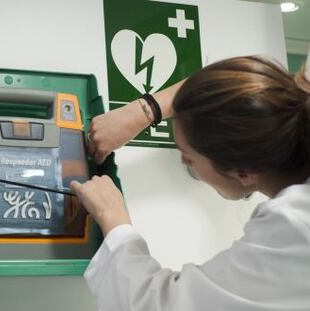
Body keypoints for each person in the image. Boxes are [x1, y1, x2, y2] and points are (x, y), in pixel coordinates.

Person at [70, 53, 310, 311]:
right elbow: (240, 87)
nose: (184, 163)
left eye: (188, 157)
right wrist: (145, 109)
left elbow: (160, 305)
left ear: (243, 173)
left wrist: (113, 218)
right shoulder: (294, 102)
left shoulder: (294, 229)